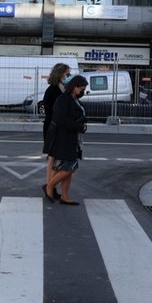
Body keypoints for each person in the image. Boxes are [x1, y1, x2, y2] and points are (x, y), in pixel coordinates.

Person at [44, 74, 88, 206]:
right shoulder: (63, 99)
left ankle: (65, 196)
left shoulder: (73, 99)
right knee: (70, 167)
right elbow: (62, 119)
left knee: (65, 167)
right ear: (74, 87)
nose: (83, 91)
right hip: (63, 138)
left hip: (71, 138)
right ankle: (49, 187)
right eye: (81, 88)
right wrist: (79, 126)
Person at [40, 62, 72, 199]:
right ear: (60, 74)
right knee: (53, 158)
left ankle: (51, 187)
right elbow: (52, 111)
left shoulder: (62, 87)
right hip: (53, 127)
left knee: (55, 158)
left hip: (58, 127)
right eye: (67, 74)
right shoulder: (53, 90)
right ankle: (49, 187)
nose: (68, 76)